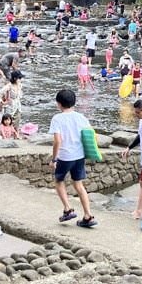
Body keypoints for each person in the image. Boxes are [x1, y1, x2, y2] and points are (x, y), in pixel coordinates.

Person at [48, 88, 96, 228]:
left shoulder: (57, 118)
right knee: (78, 184)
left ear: (59, 104)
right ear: (74, 102)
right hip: (79, 155)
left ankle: (67, 209)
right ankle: (88, 216)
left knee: (59, 180)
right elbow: (89, 136)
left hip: (65, 156)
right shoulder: (81, 117)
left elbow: (57, 141)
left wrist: (54, 159)